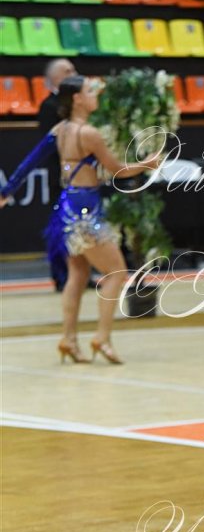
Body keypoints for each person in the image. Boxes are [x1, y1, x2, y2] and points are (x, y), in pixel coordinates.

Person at [0, 75, 161, 365]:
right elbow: (117, 169)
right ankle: (102, 337)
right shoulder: (89, 133)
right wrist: (146, 164)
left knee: (77, 275)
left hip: (66, 208)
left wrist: (7, 191)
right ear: (77, 98)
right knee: (116, 273)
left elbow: (29, 162)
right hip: (86, 211)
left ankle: (68, 339)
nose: (95, 94)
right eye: (90, 91)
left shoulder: (59, 130)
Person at [38, 58, 78, 291]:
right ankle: (61, 276)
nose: (74, 72)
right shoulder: (48, 106)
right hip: (60, 175)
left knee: (80, 227)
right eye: (67, 70)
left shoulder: (77, 106)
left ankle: (80, 274)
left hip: (81, 176)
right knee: (61, 226)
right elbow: (50, 145)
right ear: (55, 78)